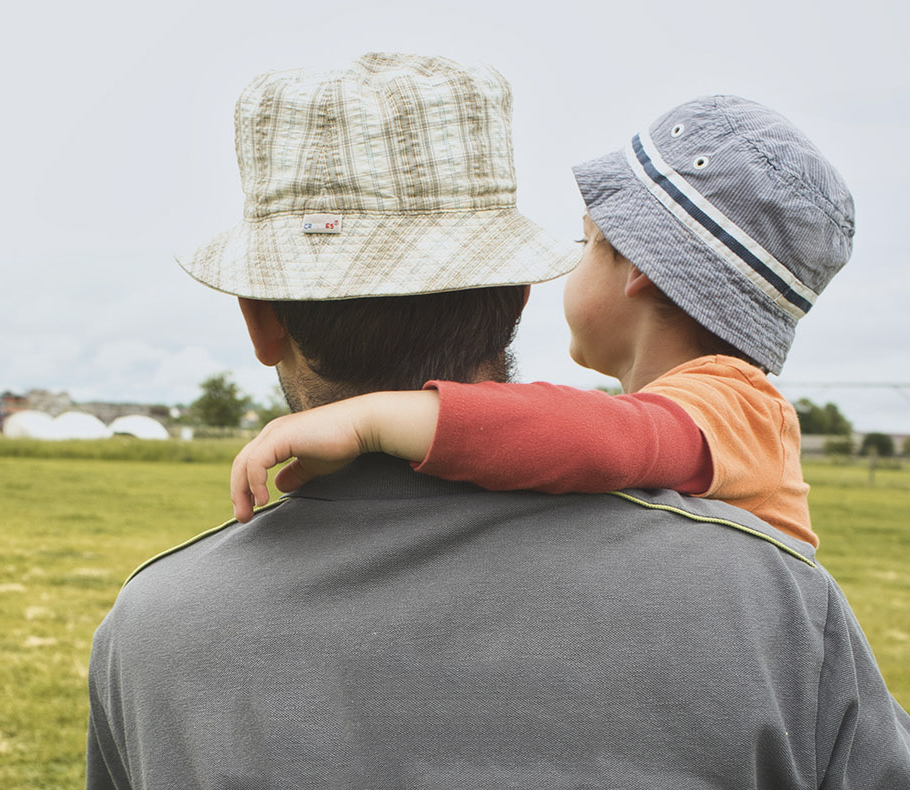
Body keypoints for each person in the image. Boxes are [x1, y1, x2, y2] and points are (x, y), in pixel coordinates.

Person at [86, 53, 910, 789]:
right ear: (517, 296)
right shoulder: (780, 608)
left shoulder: (148, 635)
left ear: (259, 320)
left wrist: (387, 419)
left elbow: (612, 433)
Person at [230, 94, 849, 549]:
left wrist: (371, 420)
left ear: (640, 268)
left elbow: (596, 437)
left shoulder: (737, 407)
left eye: (585, 245)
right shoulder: (713, 414)